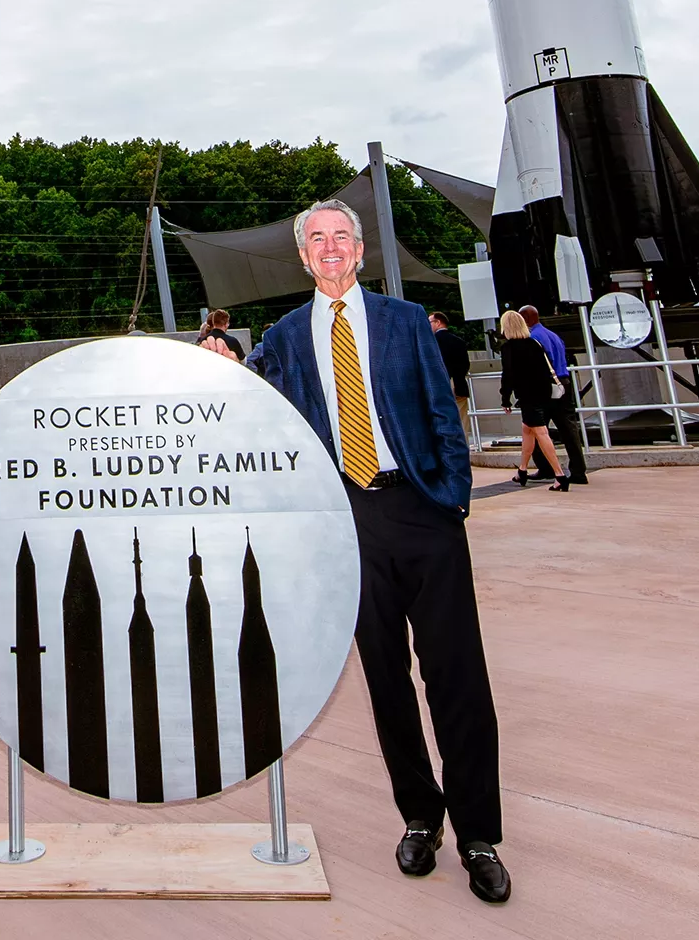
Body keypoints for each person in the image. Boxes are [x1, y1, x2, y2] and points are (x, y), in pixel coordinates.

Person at [244, 199, 511, 904]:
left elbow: (438, 409)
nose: (330, 249)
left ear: (357, 251)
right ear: (303, 256)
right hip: (346, 520)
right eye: (317, 240)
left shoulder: (401, 320)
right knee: (386, 680)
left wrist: (453, 495)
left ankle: (479, 832)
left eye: (340, 237)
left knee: (457, 674)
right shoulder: (286, 334)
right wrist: (219, 362)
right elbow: (256, 397)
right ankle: (421, 817)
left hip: (421, 509)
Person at [516, 305, 590, 484]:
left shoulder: (532, 338)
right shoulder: (553, 335)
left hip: (545, 386)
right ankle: (578, 470)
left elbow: (535, 366)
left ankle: (545, 467)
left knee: (535, 426)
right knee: (569, 428)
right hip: (563, 382)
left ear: (525, 319)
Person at [496, 310, 567, 491]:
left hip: (527, 395)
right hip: (542, 392)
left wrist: (505, 398)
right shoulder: (534, 343)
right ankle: (523, 470)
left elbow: (508, 375)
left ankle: (559, 475)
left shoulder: (509, 348)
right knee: (527, 431)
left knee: (541, 433)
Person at [429, 311, 473, 441]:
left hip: (440, 386)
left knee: (442, 423)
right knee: (462, 422)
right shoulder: (459, 341)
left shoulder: (432, 343)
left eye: (429, 322)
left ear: (438, 322)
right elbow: (465, 364)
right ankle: (464, 453)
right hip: (459, 385)